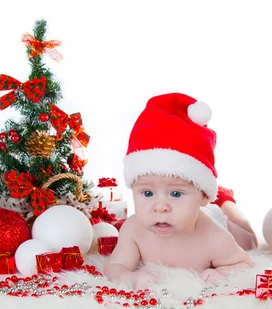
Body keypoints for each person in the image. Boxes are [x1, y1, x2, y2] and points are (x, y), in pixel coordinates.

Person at [103, 93, 257, 289]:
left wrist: (221, 272)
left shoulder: (213, 236)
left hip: (215, 217)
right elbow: (116, 266)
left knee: (249, 238)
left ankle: (225, 200)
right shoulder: (134, 229)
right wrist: (129, 277)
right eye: (147, 193)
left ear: (203, 196)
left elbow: (244, 262)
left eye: (176, 194)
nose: (160, 207)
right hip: (197, 212)